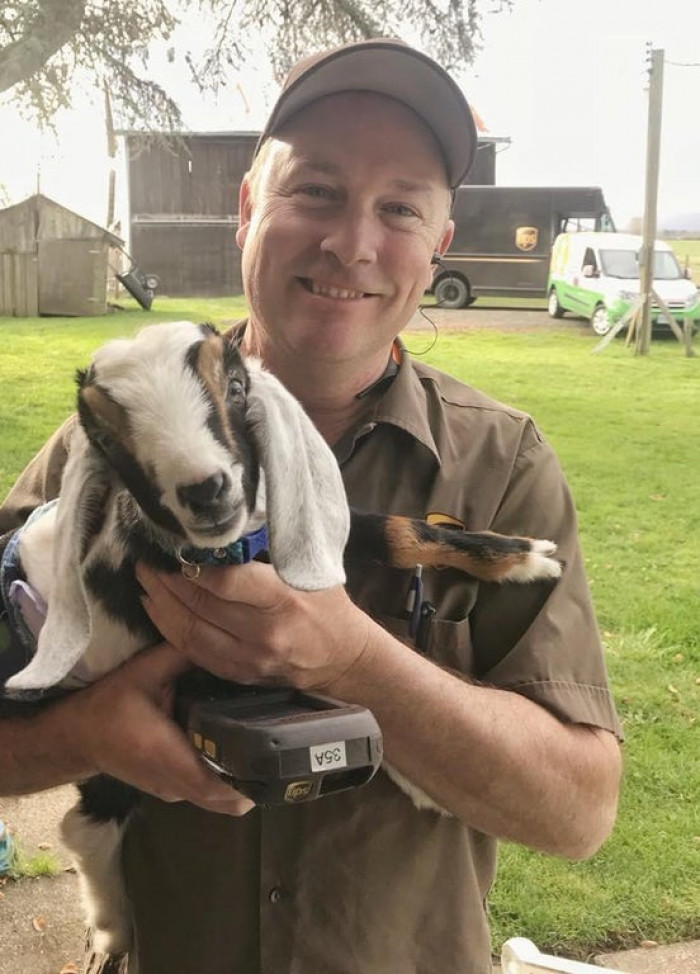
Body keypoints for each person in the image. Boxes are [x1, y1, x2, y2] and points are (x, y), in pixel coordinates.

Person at [0, 38, 622, 974]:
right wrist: (78, 735)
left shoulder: (499, 465)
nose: (352, 243)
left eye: (400, 207)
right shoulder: (107, 441)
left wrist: (357, 662)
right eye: (316, 191)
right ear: (248, 209)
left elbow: (577, 811)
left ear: (438, 245)